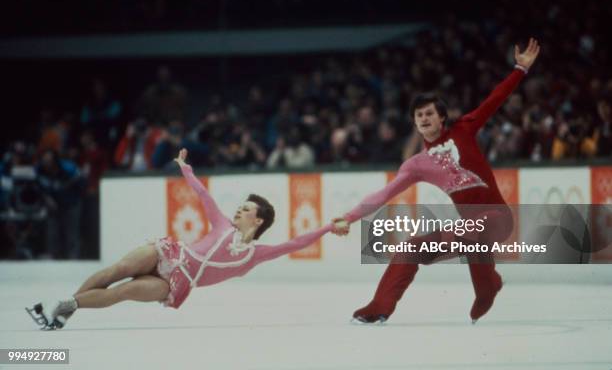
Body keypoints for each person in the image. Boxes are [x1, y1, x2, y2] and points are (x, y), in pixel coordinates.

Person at [331, 38, 540, 324]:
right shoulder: (416, 165)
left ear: (442, 118)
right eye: (419, 115)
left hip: (498, 218)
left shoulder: (464, 129)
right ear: (415, 124)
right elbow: (383, 194)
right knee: (411, 248)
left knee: (472, 231)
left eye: (430, 113)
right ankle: (379, 307)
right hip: (470, 229)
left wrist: (520, 69)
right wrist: (349, 216)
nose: (424, 118)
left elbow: (495, 100)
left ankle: (487, 286)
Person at [28, 148, 333, 330]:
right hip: (169, 254)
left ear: (259, 219)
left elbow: (296, 243)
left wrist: (328, 228)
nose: (239, 209)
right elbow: (202, 193)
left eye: (246, 209)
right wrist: (185, 168)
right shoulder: (221, 223)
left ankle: (68, 306)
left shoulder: (256, 254)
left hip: (177, 282)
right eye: (240, 206)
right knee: (115, 271)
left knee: (122, 292)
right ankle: (65, 307)